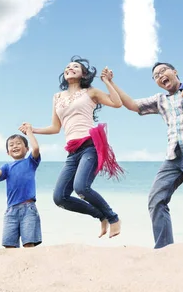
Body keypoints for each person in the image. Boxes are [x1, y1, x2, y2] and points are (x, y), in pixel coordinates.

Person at [102, 63, 183, 249]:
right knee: (156, 199)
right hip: (173, 155)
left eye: (163, 71)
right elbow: (132, 105)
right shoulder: (160, 100)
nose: (160, 76)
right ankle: (164, 249)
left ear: (175, 71)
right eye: (156, 75)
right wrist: (111, 82)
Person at [23, 55, 124, 239]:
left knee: (82, 188)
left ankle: (113, 217)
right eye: (68, 66)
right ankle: (99, 215)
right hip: (72, 151)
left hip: (90, 145)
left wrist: (107, 82)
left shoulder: (91, 92)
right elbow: (55, 127)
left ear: (83, 73)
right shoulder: (57, 97)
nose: (70, 68)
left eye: (75, 66)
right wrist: (32, 129)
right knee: (60, 197)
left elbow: (117, 103)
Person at [0, 126, 42, 248]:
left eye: (18, 143)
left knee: (28, 243)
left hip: (28, 209)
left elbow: (36, 148)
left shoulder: (30, 162)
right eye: (11, 145)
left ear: (27, 149)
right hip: (11, 210)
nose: (15, 146)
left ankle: (30, 265)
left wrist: (29, 132)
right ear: (8, 152)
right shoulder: (7, 167)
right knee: (9, 245)